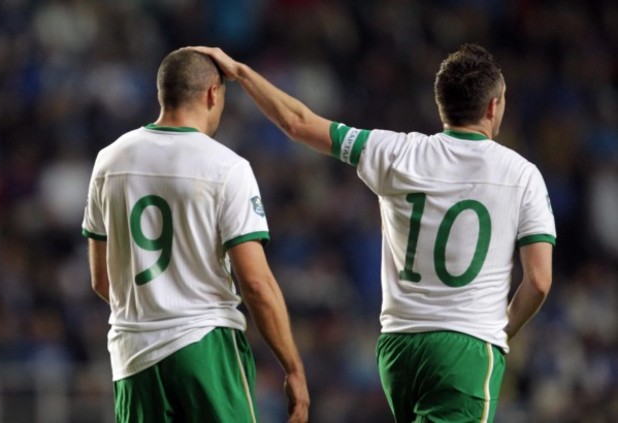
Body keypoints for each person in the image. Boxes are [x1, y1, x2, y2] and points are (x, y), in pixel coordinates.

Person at [190, 44, 556, 422]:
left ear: (441, 105)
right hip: (467, 346)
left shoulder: (393, 151)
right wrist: (502, 332)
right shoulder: (521, 174)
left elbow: (297, 122)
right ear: (493, 106)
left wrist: (243, 72)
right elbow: (540, 280)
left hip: (398, 347)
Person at [81, 48, 309, 423]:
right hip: (205, 347)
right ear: (212, 93)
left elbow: (101, 280)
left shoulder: (109, 160)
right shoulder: (226, 167)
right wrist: (293, 367)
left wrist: (154, 308)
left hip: (132, 355)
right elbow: (255, 283)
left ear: (161, 94)